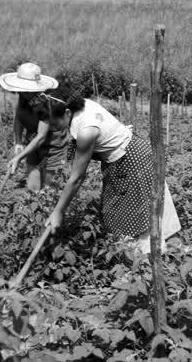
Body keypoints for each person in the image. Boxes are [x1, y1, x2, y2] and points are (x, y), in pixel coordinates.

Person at [42, 86, 181, 254]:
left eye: (54, 123)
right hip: (129, 155)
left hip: (133, 161)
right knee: (120, 211)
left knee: (136, 214)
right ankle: (156, 254)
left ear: (67, 113)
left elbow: (77, 178)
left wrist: (58, 211)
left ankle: (146, 262)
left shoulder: (86, 131)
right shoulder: (80, 104)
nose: (53, 128)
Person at [0, 62, 69, 191]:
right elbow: (18, 117)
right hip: (33, 143)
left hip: (53, 147)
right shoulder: (23, 96)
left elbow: (41, 137)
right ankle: (35, 204)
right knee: (33, 187)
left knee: (50, 189)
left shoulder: (44, 103)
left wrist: (18, 158)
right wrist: (18, 141)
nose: (21, 92)